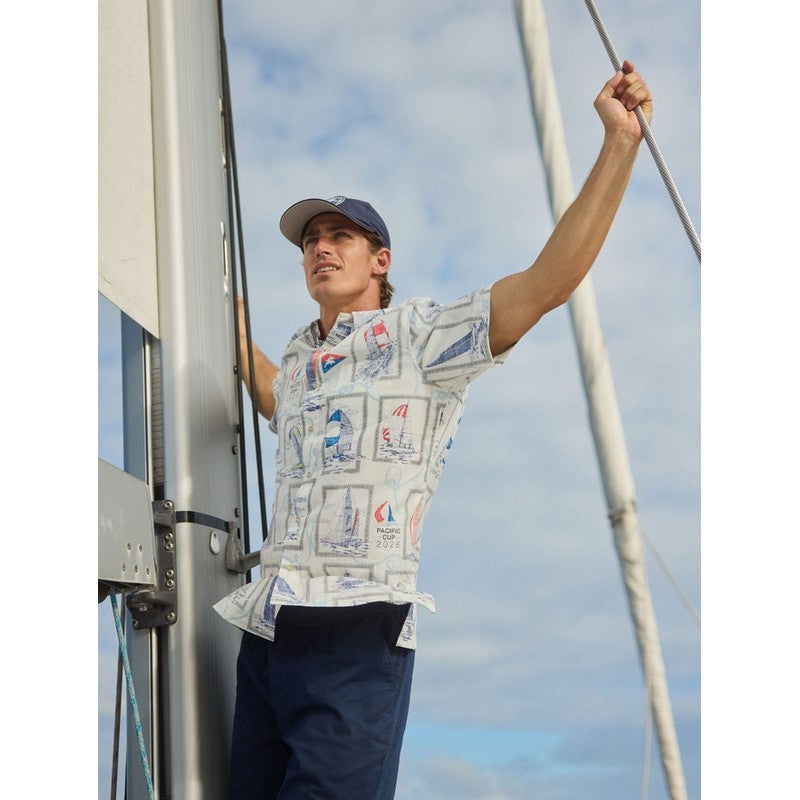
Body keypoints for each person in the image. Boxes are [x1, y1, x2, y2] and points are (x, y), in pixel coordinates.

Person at [214, 60, 652, 800]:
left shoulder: (420, 338)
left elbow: (547, 283)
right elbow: (270, 392)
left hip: (358, 630)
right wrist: (206, 287)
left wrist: (619, 144)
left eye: (340, 236)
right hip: (268, 630)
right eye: (311, 239)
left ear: (380, 260)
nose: (320, 247)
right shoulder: (301, 357)